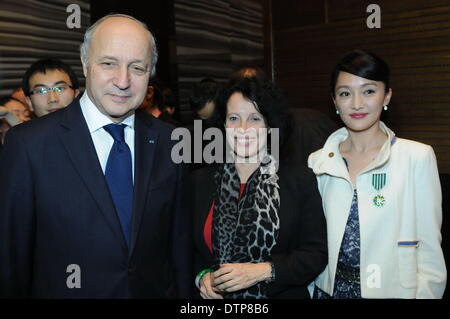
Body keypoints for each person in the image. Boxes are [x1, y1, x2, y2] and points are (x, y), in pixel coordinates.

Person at [0, 14, 191, 298]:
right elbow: (11, 260)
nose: (123, 81)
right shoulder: (29, 145)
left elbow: (179, 247)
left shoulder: (171, 141)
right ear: (85, 62)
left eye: (137, 68)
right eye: (108, 63)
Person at [308, 49, 446, 298]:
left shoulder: (417, 157)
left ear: (387, 95)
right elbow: (308, 243)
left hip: (393, 291)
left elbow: (429, 249)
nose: (357, 103)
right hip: (327, 292)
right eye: (345, 93)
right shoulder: (317, 162)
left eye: (369, 91)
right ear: (334, 101)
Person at [191, 77, 327, 299]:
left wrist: (263, 271)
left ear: (270, 124)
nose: (243, 129)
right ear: (223, 125)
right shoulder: (199, 181)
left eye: (254, 118)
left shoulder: (299, 180)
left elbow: (316, 254)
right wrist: (202, 276)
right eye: (234, 118)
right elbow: (188, 252)